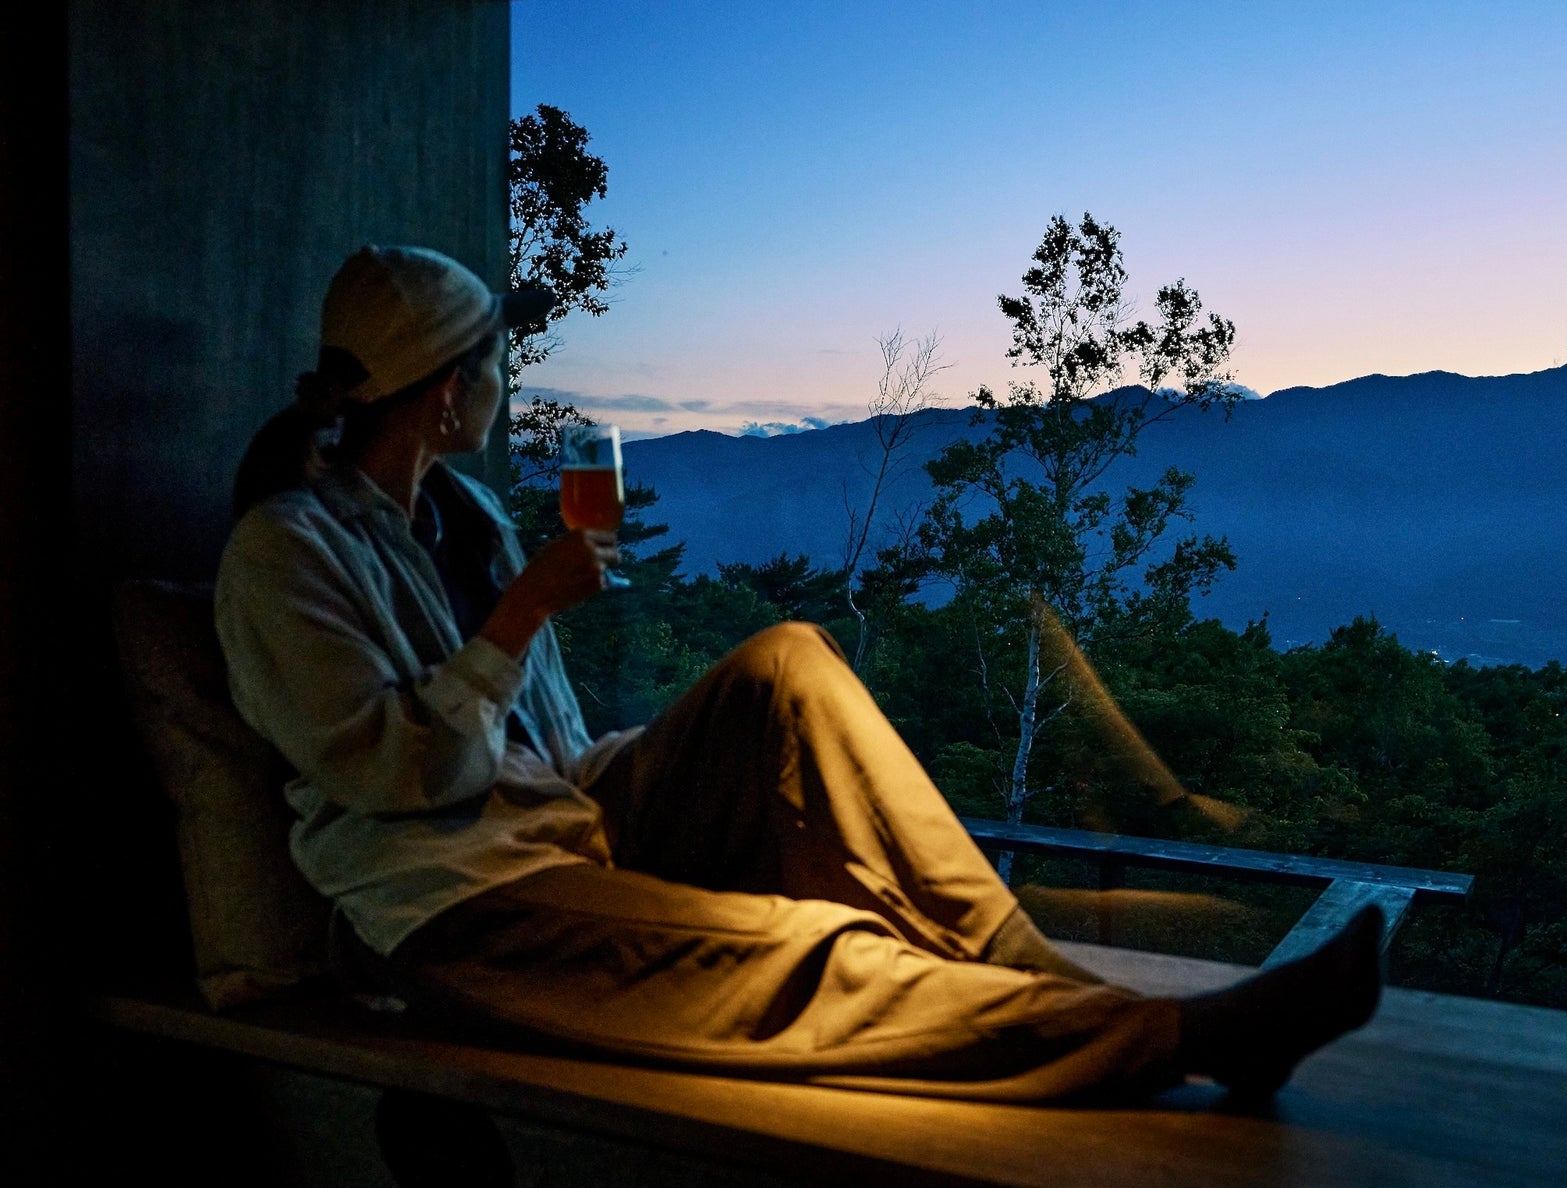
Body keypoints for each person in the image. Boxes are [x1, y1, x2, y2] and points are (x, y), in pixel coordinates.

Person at [215, 244, 1384, 1104]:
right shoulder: (288, 551)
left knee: (789, 663)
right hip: (452, 903)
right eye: (491, 359)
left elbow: (549, 751)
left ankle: (1038, 972)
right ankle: (1181, 1040)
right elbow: (389, 774)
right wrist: (522, 616)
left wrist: (664, 754)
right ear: (446, 388)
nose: (505, 377)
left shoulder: (464, 519)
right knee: (797, 950)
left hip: (562, 826)